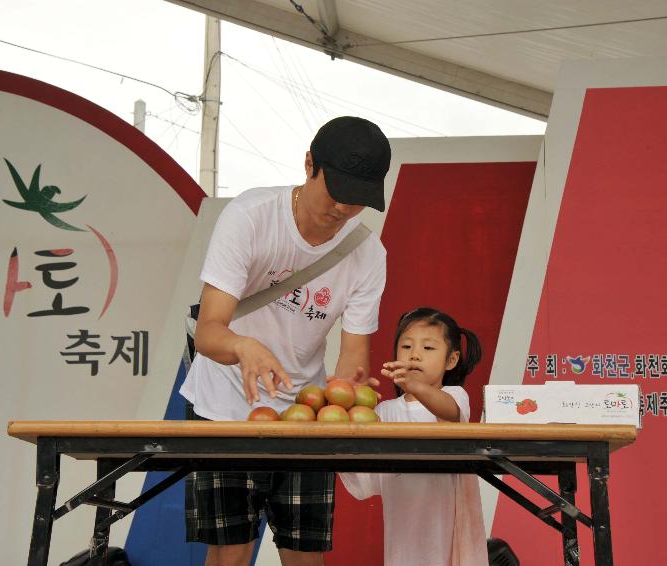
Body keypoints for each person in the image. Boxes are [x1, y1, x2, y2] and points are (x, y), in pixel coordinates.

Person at [179, 116, 391, 566]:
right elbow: (209, 330)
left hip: (305, 415)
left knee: (304, 554)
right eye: (336, 192)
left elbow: (353, 355)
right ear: (309, 163)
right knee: (230, 553)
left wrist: (352, 390)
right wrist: (244, 347)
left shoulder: (368, 255)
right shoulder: (250, 218)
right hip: (225, 407)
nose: (344, 209)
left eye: (358, 201)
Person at [340, 307, 489, 566]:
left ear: (451, 360)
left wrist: (415, 385)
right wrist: (346, 408)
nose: (415, 355)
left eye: (428, 349)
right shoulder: (383, 412)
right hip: (403, 543)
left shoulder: (455, 397)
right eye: (406, 347)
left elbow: (450, 413)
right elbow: (365, 482)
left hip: (448, 538)